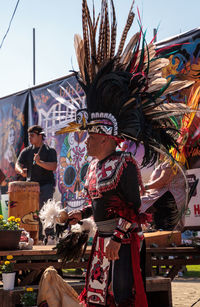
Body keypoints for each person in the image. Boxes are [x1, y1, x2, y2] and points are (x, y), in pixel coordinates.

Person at [15, 125, 57, 240]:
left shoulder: (49, 151)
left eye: (32, 136)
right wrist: (21, 171)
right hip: (31, 187)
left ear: (40, 136)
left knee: (46, 211)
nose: (30, 138)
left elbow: (53, 166)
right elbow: (17, 164)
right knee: (32, 213)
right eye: (29, 136)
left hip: (46, 186)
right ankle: (35, 238)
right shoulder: (27, 151)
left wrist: (39, 162)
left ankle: (50, 237)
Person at [140, 157, 186, 230]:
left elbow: (163, 181)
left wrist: (144, 187)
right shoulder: (166, 162)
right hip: (165, 196)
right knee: (139, 201)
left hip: (169, 197)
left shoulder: (170, 162)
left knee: (137, 202)